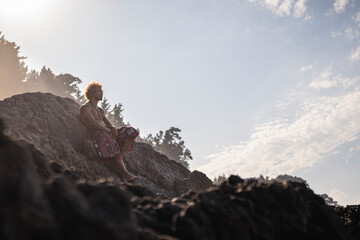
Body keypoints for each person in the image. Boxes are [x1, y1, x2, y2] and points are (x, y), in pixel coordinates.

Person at [79, 82, 139, 182]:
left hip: (107, 131)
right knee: (106, 136)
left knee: (131, 131)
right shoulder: (85, 108)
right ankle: (127, 175)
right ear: (92, 92)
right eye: (99, 91)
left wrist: (113, 129)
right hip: (98, 133)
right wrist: (108, 131)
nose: (102, 93)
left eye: (102, 91)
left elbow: (108, 122)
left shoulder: (100, 110)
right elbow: (92, 122)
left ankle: (120, 158)